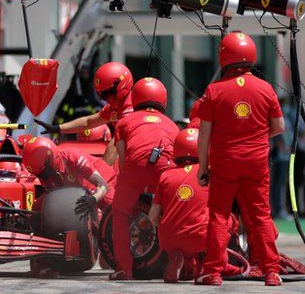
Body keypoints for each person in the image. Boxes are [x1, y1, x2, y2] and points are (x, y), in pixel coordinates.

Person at [195, 32, 285, 286]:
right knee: (260, 216)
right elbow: (279, 127)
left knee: (219, 216)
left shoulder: (214, 90)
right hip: (256, 162)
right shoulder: (265, 88)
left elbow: (204, 134)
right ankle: (271, 271)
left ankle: (212, 272)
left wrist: (203, 167)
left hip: (224, 162)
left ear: (224, 56)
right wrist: (256, 136)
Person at [149, 128, 242, 283]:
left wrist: (169, 229)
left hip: (168, 239)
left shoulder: (165, 175)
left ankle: (178, 258)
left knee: (183, 233)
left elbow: (153, 216)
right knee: (229, 220)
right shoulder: (209, 173)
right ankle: (216, 264)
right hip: (199, 237)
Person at [110, 77, 179, 280]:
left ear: (135, 98)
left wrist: (130, 195)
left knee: (120, 214)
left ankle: (124, 269)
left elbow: (123, 163)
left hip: (135, 167)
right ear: (163, 99)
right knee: (172, 214)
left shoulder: (123, 122)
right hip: (167, 168)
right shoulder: (172, 125)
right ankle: (181, 262)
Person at [21, 136, 115, 278]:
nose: (42, 177)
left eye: (43, 173)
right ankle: (41, 262)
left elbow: (103, 185)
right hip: (75, 193)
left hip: (101, 183)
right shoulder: (43, 169)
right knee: (37, 209)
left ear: (50, 158)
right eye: (38, 174)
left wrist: (94, 199)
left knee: (114, 209)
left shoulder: (73, 157)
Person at [35, 62, 133, 166]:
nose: (102, 98)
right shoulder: (115, 106)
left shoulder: (131, 107)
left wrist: (102, 175)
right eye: (100, 94)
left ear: (120, 85)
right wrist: (58, 128)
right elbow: (88, 122)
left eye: (106, 93)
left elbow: (115, 145)